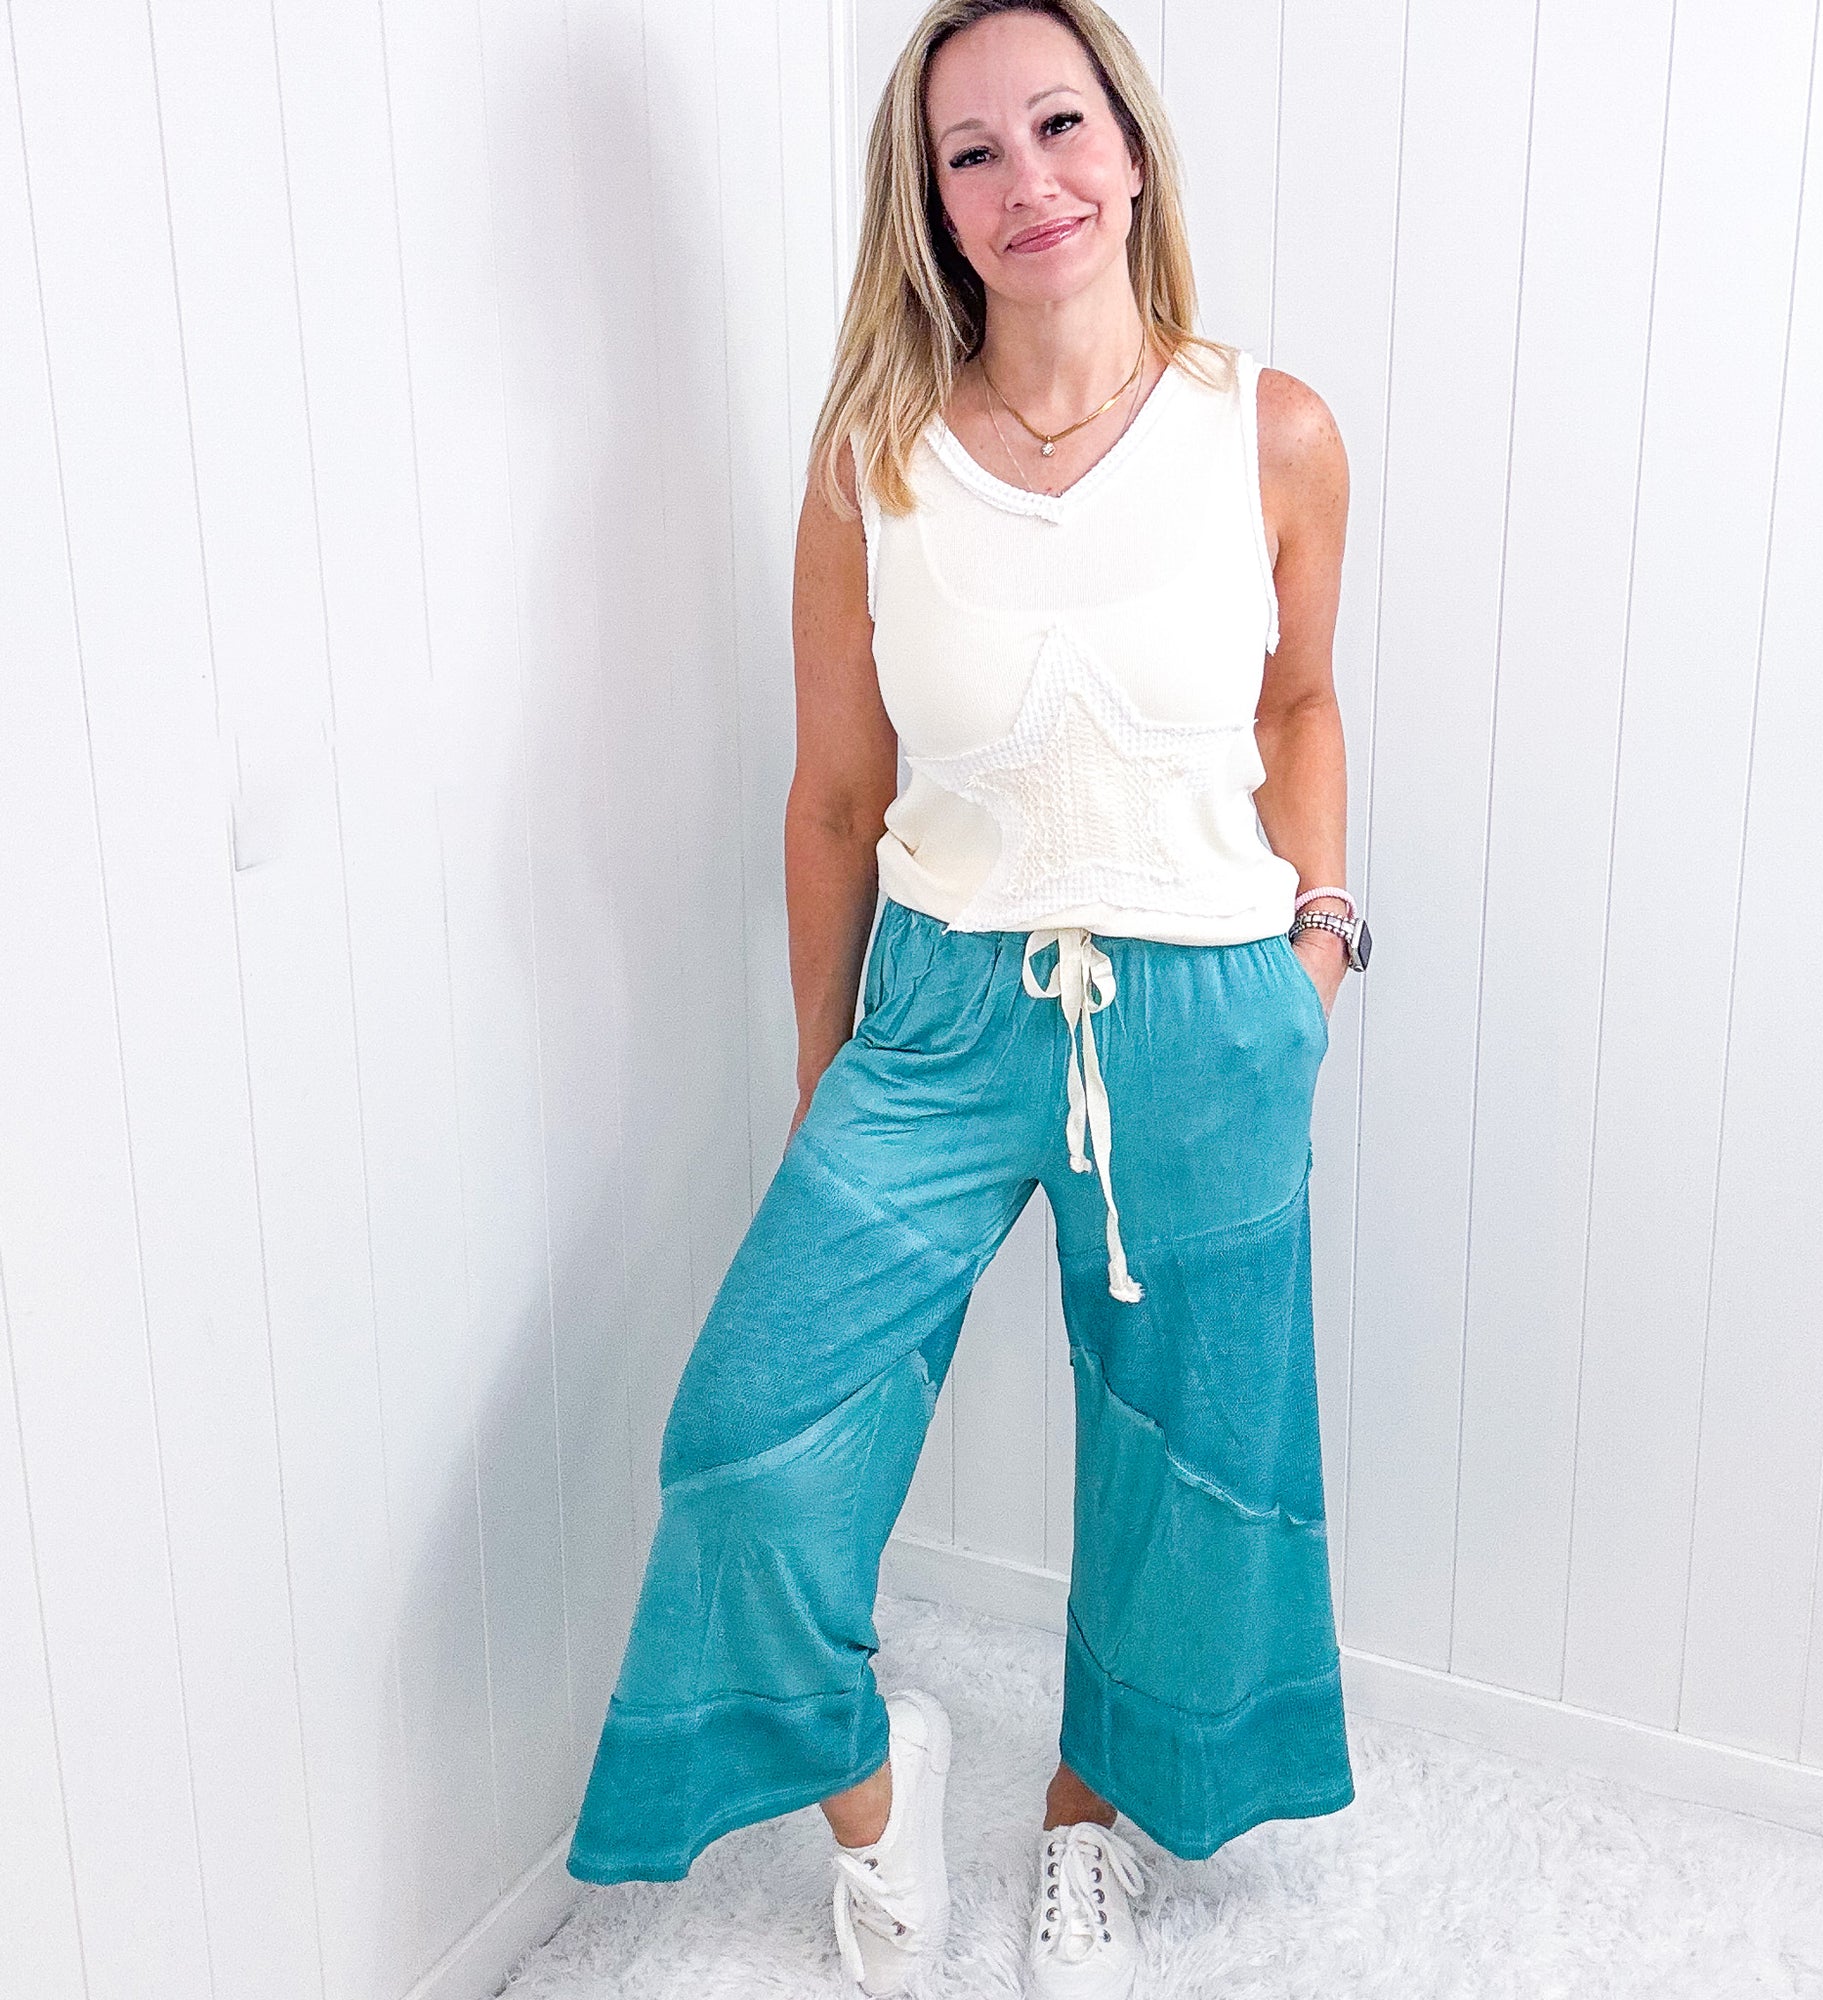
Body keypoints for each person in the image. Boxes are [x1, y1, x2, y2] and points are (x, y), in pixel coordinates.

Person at [565, 2, 1367, 1994]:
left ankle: (1093, 1817)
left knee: (1187, 1457)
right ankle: (872, 1779)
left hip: (1205, 1002)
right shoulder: (876, 462)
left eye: (1060, 125)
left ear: (1134, 148)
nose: (1029, 182)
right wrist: (825, 1075)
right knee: (744, 1439)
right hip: (935, 1012)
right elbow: (835, 800)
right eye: (973, 153)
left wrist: (1320, 945)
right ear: (928, 202)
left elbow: (1296, 703)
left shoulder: (1267, 430)